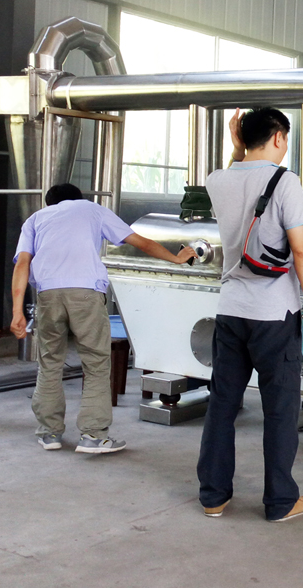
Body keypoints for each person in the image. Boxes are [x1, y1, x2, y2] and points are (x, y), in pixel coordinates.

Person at [197, 107, 303, 523]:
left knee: (222, 405)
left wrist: (237, 148)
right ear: (278, 137)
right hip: (274, 314)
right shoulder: (285, 182)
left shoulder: (217, 181)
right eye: (285, 138)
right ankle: (280, 501)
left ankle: (213, 496)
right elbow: (302, 250)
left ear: (242, 139)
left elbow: (235, 171)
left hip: (231, 311)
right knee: (280, 410)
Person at [10, 183, 196, 453]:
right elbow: (140, 241)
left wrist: (17, 311)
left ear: (50, 203)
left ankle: (49, 434)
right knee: (96, 364)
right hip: (86, 293)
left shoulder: (36, 219)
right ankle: (93, 435)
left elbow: (22, 263)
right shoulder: (92, 210)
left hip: (47, 294)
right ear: (78, 198)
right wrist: (176, 259)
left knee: (49, 364)